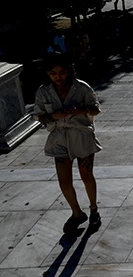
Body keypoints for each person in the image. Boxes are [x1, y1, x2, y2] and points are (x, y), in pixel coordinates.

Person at [32, 53, 103, 234]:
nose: (58, 77)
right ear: (47, 74)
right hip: (58, 138)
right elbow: (38, 116)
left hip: (81, 135)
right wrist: (52, 116)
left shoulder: (81, 88)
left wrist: (81, 110)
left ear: (68, 71)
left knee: (86, 174)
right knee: (64, 182)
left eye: (62, 72)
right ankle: (76, 212)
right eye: (53, 73)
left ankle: (94, 209)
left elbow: (96, 109)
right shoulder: (43, 91)